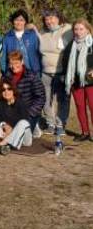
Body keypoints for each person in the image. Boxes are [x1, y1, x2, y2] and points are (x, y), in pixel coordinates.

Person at [35, 9, 73, 137]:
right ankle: (50, 123)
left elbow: (83, 33)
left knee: (63, 99)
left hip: (61, 72)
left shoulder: (68, 30)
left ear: (58, 18)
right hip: (45, 72)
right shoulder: (42, 32)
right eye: (46, 19)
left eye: (52, 18)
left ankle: (61, 124)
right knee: (45, 99)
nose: (49, 21)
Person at [0, 79, 32, 155]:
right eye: (3, 90)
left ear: (13, 90)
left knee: (23, 123)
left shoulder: (21, 103)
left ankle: (2, 144)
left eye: (9, 89)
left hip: (22, 137)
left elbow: (26, 121)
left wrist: (11, 130)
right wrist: (3, 125)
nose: (6, 92)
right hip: (4, 134)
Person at [64, 18, 93, 142]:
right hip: (75, 82)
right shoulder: (71, 44)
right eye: (76, 29)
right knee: (80, 107)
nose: (78, 32)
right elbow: (65, 61)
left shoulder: (92, 43)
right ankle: (85, 132)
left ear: (87, 29)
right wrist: (68, 77)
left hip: (91, 81)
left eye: (81, 29)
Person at [4, 50, 45, 132]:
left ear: (22, 62)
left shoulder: (31, 76)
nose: (13, 66)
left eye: (16, 63)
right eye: (11, 63)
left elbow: (41, 98)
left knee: (20, 134)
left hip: (28, 112)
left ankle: (35, 124)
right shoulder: (6, 76)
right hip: (12, 111)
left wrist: (30, 113)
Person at [1, 9, 41, 75]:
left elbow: (39, 54)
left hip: (33, 72)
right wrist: (5, 73)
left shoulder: (32, 35)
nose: (19, 23)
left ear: (25, 22)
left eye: (21, 20)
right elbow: (4, 57)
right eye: (16, 20)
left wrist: (39, 70)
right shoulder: (7, 37)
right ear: (13, 21)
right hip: (14, 73)